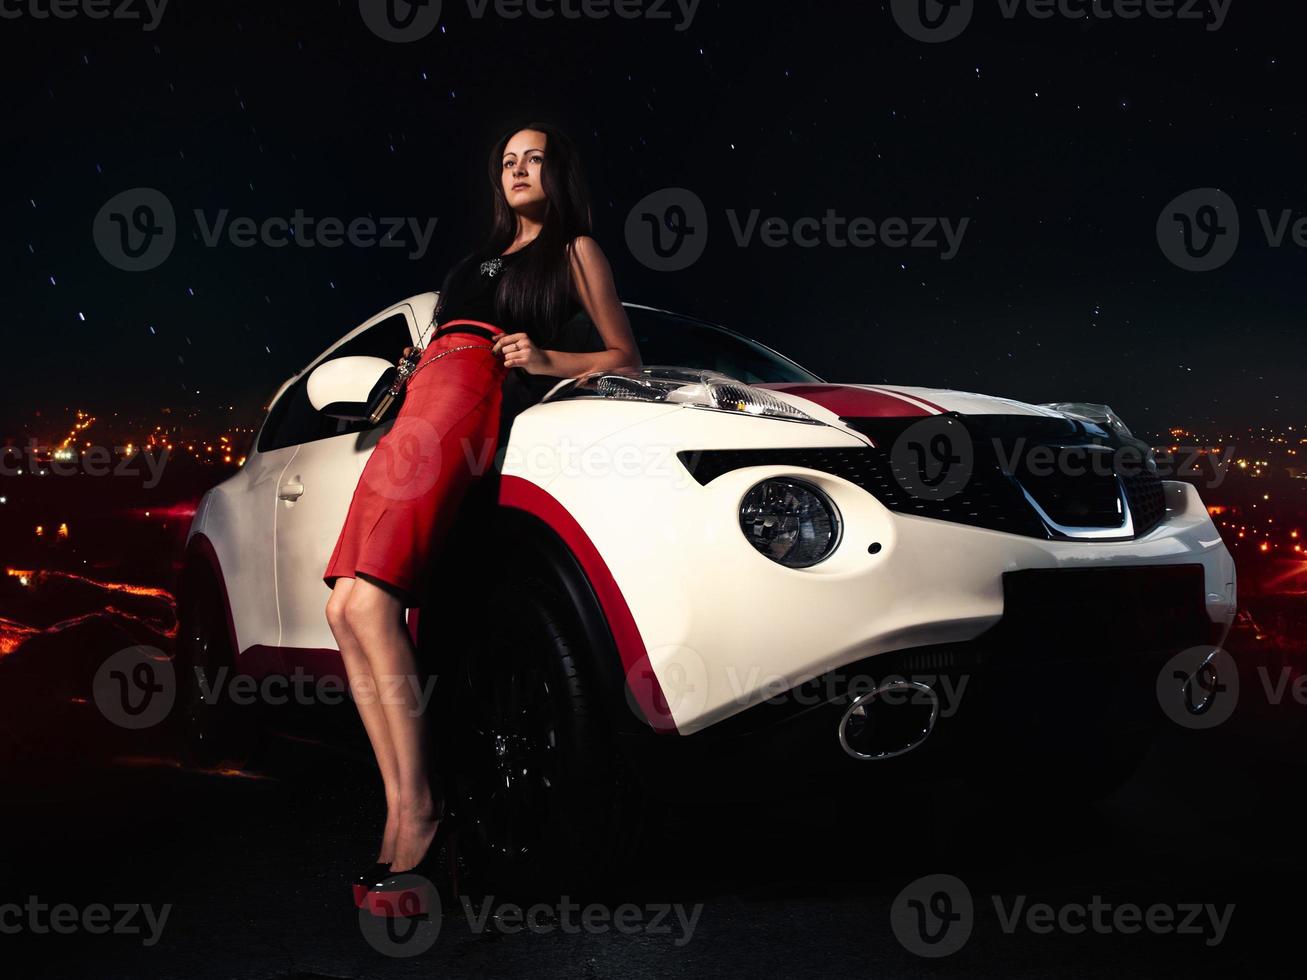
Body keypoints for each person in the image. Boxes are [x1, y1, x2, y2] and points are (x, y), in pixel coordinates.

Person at [322, 121, 641, 915]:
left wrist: (543, 360)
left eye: (533, 158)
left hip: (470, 393)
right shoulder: (469, 263)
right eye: (506, 161)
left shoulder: (574, 252)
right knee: (342, 606)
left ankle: (424, 817)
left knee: (372, 601)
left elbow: (625, 358)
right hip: (423, 392)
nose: (518, 170)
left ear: (557, 171)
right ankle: (401, 811)